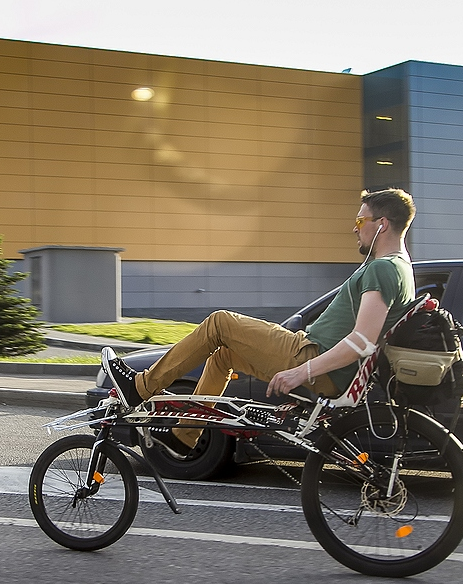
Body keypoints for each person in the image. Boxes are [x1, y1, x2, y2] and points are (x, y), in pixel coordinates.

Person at [103, 187, 417, 455]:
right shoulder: (401, 267)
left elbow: (361, 341)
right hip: (312, 353)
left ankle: (140, 387)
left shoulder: (384, 268)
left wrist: (299, 374)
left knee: (220, 323)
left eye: (360, 220)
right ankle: (185, 437)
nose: (355, 228)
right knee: (223, 355)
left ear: (382, 224)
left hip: (310, 353)